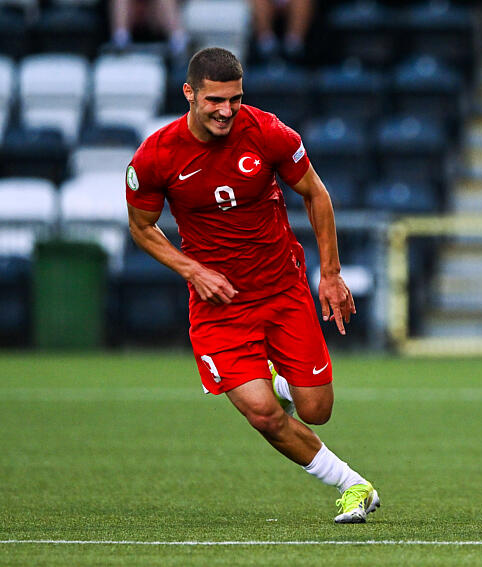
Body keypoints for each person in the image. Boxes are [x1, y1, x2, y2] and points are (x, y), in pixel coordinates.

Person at [125, 47, 379, 523]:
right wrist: (192, 270)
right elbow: (142, 227)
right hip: (218, 304)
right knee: (261, 412)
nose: (226, 111)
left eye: (235, 99)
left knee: (317, 409)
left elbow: (315, 194)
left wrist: (330, 274)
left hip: (283, 289)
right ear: (190, 94)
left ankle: (280, 383)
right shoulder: (156, 155)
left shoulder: (267, 132)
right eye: (215, 101)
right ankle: (352, 484)